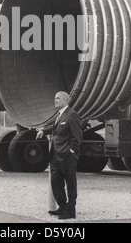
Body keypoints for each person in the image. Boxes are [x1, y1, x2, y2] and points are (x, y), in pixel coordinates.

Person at [36, 91, 82, 220]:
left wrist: (72, 152)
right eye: (54, 98)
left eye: (58, 98)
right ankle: (62, 207)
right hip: (55, 155)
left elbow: (77, 136)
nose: (55, 100)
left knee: (70, 183)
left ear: (66, 100)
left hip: (67, 155)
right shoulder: (59, 115)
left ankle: (70, 210)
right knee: (56, 182)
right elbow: (55, 128)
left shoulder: (72, 115)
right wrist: (43, 131)